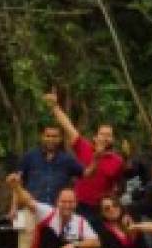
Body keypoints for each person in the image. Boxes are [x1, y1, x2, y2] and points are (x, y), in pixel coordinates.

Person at [4, 125, 83, 248]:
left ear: (60, 138)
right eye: (48, 136)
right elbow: (18, 182)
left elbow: (84, 176)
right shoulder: (29, 157)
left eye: (55, 136)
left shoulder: (67, 160)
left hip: (57, 212)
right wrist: (13, 207)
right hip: (30, 208)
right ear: (42, 137)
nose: (51, 139)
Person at [43, 91, 125, 226]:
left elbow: (119, 186)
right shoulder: (84, 147)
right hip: (79, 205)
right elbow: (68, 127)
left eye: (109, 135)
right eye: (102, 134)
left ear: (113, 139)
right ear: (95, 137)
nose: (105, 137)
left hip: (100, 208)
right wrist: (54, 107)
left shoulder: (118, 161)